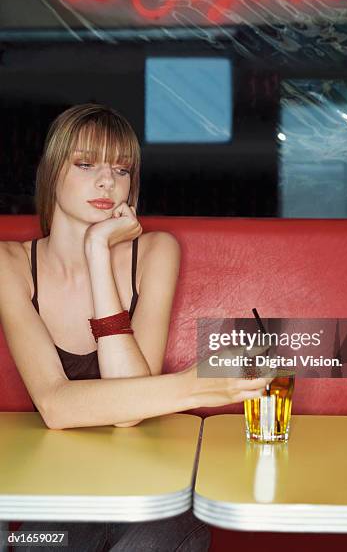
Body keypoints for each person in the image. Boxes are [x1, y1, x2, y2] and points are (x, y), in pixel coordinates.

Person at [0, 104, 271, 551]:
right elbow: (55, 405)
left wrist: (97, 254)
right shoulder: (10, 265)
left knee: (161, 538)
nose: (107, 181)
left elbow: (129, 410)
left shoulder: (155, 252)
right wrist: (194, 386)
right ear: (52, 173)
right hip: (55, 497)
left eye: (121, 170)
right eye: (86, 164)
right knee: (36, 543)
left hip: (148, 487)